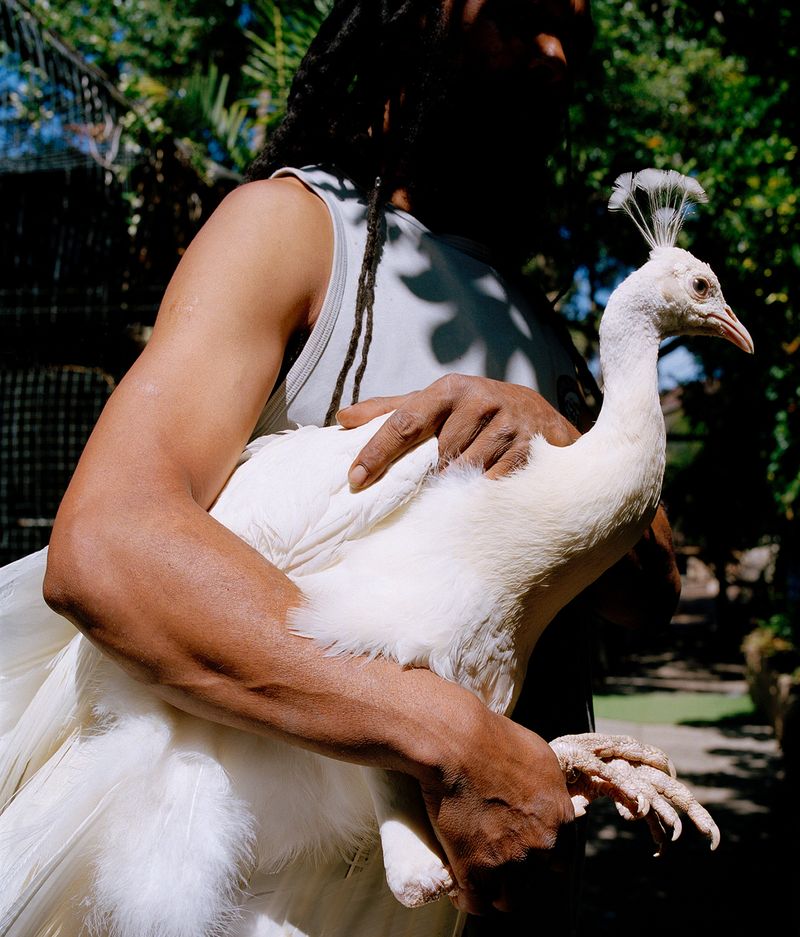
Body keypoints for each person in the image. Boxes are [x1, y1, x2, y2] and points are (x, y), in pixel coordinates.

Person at [41, 1, 680, 934]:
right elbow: (107, 546)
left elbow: (652, 588)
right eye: (521, 11)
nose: (554, 53)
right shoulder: (291, 229)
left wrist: (556, 432)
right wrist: (454, 739)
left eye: (574, 32)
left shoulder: (539, 319)